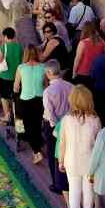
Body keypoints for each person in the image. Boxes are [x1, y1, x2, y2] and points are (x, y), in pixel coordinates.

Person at [59, 85, 102, 208]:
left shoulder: (67, 119)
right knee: (89, 192)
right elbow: (98, 144)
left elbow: (63, 142)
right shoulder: (95, 120)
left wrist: (60, 160)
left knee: (74, 190)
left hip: (71, 160)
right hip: (90, 162)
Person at [42, 59, 74, 193]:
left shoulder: (48, 91)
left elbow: (50, 113)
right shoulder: (70, 86)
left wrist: (55, 127)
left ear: (49, 72)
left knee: (53, 154)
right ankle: (67, 181)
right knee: (66, 152)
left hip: (53, 126)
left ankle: (57, 183)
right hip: (69, 123)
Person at [13, 45, 46, 164]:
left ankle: (36, 151)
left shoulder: (21, 67)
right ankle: (38, 146)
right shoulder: (43, 67)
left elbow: (16, 87)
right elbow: (45, 85)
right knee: (37, 124)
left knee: (27, 126)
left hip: (25, 100)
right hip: (39, 99)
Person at [0, 27, 23, 125]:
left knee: (4, 97)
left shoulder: (4, 47)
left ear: (5, 36)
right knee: (15, 98)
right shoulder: (20, 47)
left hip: (5, 76)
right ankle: (16, 118)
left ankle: (7, 116)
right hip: (17, 76)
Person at [72, 21, 105, 88]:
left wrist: (74, 73)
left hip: (83, 72)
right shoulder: (101, 42)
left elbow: (77, 59)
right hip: (97, 72)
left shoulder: (83, 43)